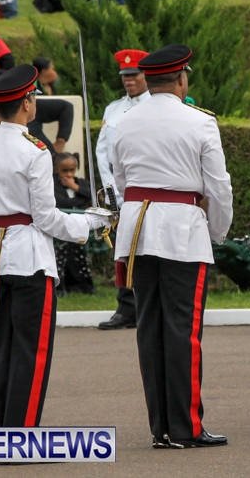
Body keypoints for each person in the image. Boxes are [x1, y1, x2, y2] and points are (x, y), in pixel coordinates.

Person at [0, 64, 111, 428]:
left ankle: (6, 433)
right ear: (27, 103)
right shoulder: (36, 151)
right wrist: (90, 222)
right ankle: (22, 436)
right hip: (29, 261)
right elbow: (46, 217)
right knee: (31, 352)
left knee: (4, 350)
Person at [111, 44, 233, 448]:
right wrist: (217, 231)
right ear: (182, 79)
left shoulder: (124, 121)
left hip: (137, 231)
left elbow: (121, 181)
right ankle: (186, 427)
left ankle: (161, 428)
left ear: (148, 80)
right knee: (183, 330)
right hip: (182, 231)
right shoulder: (200, 122)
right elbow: (218, 187)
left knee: (150, 328)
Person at [96, 48, 149, 331]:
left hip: (147, 191)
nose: (129, 80)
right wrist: (111, 193)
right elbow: (102, 152)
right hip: (119, 195)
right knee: (123, 250)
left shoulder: (156, 106)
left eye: (134, 75)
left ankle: (148, 307)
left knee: (148, 251)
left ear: (146, 75)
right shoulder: (113, 109)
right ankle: (126, 308)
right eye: (125, 75)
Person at [53, 152, 95, 296]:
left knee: (81, 256)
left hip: (79, 227)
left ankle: (86, 286)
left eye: (72, 170)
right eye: (65, 171)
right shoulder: (54, 185)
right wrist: (80, 199)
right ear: (56, 169)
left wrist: (75, 187)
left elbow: (92, 196)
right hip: (62, 227)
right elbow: (61, 202)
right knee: (60, 257)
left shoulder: (80, 183)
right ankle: (60, 288)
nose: (69, 174)